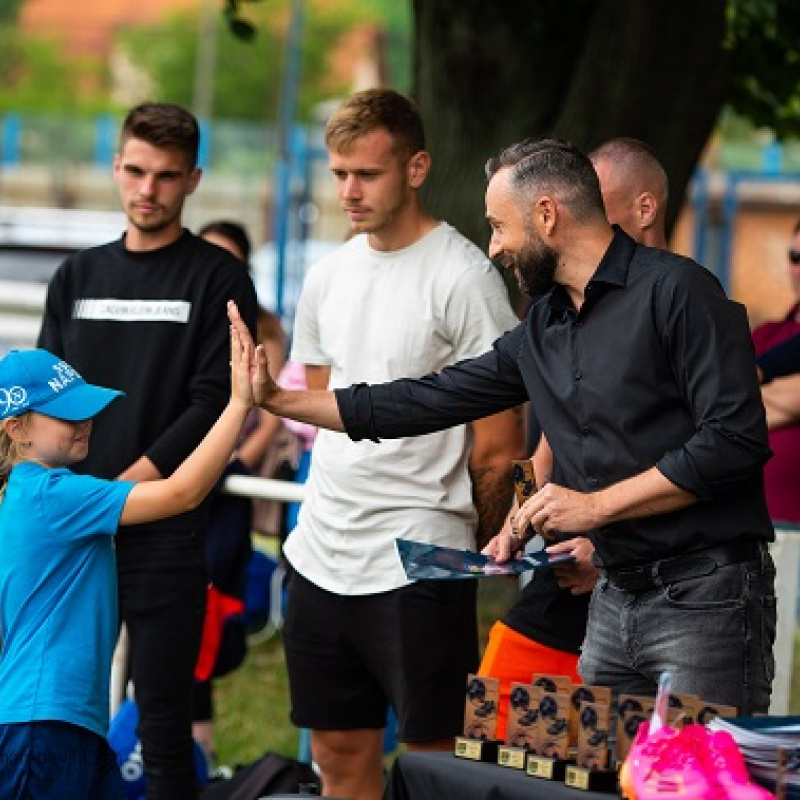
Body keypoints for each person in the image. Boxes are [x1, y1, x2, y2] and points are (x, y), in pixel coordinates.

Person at [231, 134, 776, 717]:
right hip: (614, 598)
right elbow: (429, 400)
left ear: (547, 216)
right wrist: (278, 400)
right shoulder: (546, 321)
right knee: (604, 781)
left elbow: (734, 441)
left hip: (704, 596)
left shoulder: (679, 290)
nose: (493, 249)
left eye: (498, 226)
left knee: (702, 780)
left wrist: (597, 509)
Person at [281, 88, 523, 800]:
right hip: (321, 548)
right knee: (336, 751)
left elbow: (499, 443)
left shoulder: (466, 275)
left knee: (432, 761)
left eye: (368, 173)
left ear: (416, 168)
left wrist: (486, 546)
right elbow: (319, 406)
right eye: (339, 174)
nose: (349, 191)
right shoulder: (326, 275)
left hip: (423, 553)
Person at [36, 103, 259, 800]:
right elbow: (43, 390)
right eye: (135, 170)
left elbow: (211, 401)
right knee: (53, 711)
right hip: (72, 529)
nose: (148, 189)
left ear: (193, 179)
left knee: (163, 725)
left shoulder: (218, 279)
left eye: (166, 175)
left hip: (164, 531)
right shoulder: (76, 275)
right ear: (116, 167)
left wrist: (129, 488)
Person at [0, 320, 258, 800]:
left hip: (61, 719)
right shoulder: (52, 495)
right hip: (45, 722)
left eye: (87, 411)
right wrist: (239, 404)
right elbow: (181, 493)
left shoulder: (29, 495)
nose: (85, 423)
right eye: (65, 416)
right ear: (17, 430)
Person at [478, 137, 670, 741]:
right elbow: (539, 448)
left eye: (600, 210)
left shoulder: (683, 304)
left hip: (653, 593)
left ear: (643, 209)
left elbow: (705, 463)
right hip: (555, 584)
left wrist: (603, 546)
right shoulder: (558, 310)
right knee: (497, 749)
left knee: (626, 770)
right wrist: (517, 514)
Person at [750, 222, 800, 714]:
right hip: (757, 532)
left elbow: (737, 403)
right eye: (793, 255)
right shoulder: (765, 335)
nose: (798, 268)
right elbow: (719, 405)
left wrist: (753, 395)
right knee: (768, 675)